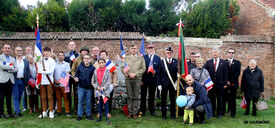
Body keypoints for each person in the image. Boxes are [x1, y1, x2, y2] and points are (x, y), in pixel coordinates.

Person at [121, 43, 146, 119]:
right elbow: (122, 68)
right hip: (128, 78)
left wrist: (135, 74)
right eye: (132, 48)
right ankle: (129, 112)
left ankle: (135, 112)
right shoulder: (126, 58)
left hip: (137, 79)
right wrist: (128, 74)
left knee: (135, 96)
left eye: (135, 48)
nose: (133, 50)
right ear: (129, 49)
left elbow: (143, 68)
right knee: (129, 96)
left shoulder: (141, 58)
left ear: (137, 49)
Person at [203, 47, 228, 119]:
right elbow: (205, 73)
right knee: (212, 99)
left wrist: (225, 84)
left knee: (220, 99)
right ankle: (212, 112)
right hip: (211, 84)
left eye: (216, 52)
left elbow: (225, 74)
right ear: (211, 53)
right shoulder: (208, 62)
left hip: (220, 84)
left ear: (219, 53)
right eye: (213, 52)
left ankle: (219, 113)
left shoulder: (224, 63)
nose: (214, 53)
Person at [157, 46, 178, 120]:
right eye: (168, 53)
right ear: (165, 53)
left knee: (173, 100)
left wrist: (176, 82)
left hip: (173, 84)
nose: (169, 54)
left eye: (170, 53)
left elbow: (178, 73)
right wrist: (159, 84)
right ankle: (164, 115)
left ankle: (173, 115)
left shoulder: (176, 61)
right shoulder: (162, 62)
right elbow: (158, 74)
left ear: (172, 53)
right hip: (164, 84)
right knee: (163, 100)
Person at [140, 43, 161, 116]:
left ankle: (152, 110)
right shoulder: (143, 58)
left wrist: (155, 71)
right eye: (149, 49)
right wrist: (140, 80)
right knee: (143, 96)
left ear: (154, 49)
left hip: (153, 79)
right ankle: (142, 111)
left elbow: (159, 69)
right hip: (144, 79)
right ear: (147, 50)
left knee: (151, 96)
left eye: (152, 48)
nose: (150, 50)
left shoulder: (157, 58)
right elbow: (141, 69)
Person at [74, 54, 95, 121]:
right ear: (83, 59)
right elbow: (76, 75)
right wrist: (76, 78)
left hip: (89, 87)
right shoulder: (80, 67)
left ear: (90, 59)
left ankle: (88, 115)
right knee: (80, 101)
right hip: (81, 87)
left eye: (88, 58)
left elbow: (94, 77)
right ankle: (79, 115)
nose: (86, 59)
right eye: (85, 58)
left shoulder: (93, 68)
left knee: (88, 102)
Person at [97, 50, 118, 117]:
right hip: (100, 85)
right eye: (101, 54)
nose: (103, 55)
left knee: (108, 99)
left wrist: (114, 83)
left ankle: (108, 112)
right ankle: (100, 112)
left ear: (106, 55)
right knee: (99, 99)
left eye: (104, 54)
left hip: (109, 84)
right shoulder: (97, 63)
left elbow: (115, 73)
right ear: (99, 56)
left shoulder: (110, 63)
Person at [38, 47, 56, 119]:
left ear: (50, 53)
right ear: (43, 52)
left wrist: (42, 72)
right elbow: (38, 69)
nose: (46, 53)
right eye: (45, 51)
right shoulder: (40, 60)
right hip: (42, 81)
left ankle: (51, 111)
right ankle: (44, 111)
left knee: (50, 97)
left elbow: (51, 71)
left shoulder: (52, 61)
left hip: (49, 81)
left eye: (48, 51)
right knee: (43, 97)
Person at [92, 58, 112, 124]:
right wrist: (97, 87)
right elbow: (93, 82)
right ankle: (99, 117)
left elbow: (108, 81)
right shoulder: (95, 71)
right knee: (99, 105)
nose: (101, 64)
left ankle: (107, 118)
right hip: (98, 91)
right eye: (99, 63)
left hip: (105, 91)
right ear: (98, 63)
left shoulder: (107, 71)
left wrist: (103, 87)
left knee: (106, 105)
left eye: (102, 62)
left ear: (104, 63)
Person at [222, 48, 241, 118]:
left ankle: (233, 113)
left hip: (233, 84)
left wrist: (230, 81)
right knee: (224, 98)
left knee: (233, 99)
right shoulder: (224, 62)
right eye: (229, 52)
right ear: (227, 53)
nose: (231, 54)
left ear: (234, 54)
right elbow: (222, 73)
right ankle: (223, 112)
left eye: (232, 52)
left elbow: (237, 73)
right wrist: (226, 81)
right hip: (225, 84)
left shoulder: (237, 63)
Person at [0, 44, 17, 119]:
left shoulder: (13, 59)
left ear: (10, 50)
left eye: (8, 48)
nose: (7, 49)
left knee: (9, 98)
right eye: (5, 48)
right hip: (2, 80)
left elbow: (16, 69)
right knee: (1, 98)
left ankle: (10, 113)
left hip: (10, 81)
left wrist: (8, 68)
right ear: (3, 49)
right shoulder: (0, 57)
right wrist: (11, 67)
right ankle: (1, 113)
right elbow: (1, 66)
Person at [13, 46, 30, 118]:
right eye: (17, 50)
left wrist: (27, 82)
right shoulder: (13, 60)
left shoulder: (25, 61)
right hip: (15, 80)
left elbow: (27, 72)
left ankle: (18, 110)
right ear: (15, 52)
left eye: (20, 50)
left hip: (23, 80)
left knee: (20, 95)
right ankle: (17, 111)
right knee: (15, 96)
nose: (19, 52)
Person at [71, 46, 89, 114]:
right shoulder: (76, 60)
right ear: (81, 52)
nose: (84, 52)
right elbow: (73, 70)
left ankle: (89, 110)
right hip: (78, 81)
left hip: (88, 81)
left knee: (88, 97)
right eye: (83, 51)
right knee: (77, 96)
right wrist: (74, 77)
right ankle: (77, 109)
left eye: (85, 51)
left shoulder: (90, 59)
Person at [54, 51, 71, 116]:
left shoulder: (66, 64)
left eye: (62, 55)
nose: (60, 56)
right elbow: (53, 74)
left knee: (66, 98)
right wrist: (55, 80)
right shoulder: (55, 64)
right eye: (59, 55)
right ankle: (59, 111)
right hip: (56, 83)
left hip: (64, 84)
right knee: (58, 98)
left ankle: (67, 111)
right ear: (57, 56)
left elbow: (67, 74)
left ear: (64, 57)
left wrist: (60, 81)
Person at [64, 41, 79, 113]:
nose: (71, 46)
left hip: (75, 76)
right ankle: (68, 108)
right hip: (67, 76)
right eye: (70, 45)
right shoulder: (65, 55)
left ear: (75, 46)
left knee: (76, 93)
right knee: (68, 92)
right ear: (68, 46)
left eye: (73, 45)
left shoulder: (78, 55)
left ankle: (76, 108)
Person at [22, 46, 33, 112]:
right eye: (27, 49)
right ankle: (25, 107)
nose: (28, 50)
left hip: (32, 79)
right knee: (24, 94)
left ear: (31, 50)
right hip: (25, 78)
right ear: (25, 51)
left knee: (32, 94)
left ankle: (33, 107)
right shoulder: (23, 59)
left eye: (29, 49)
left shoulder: (34, 58)